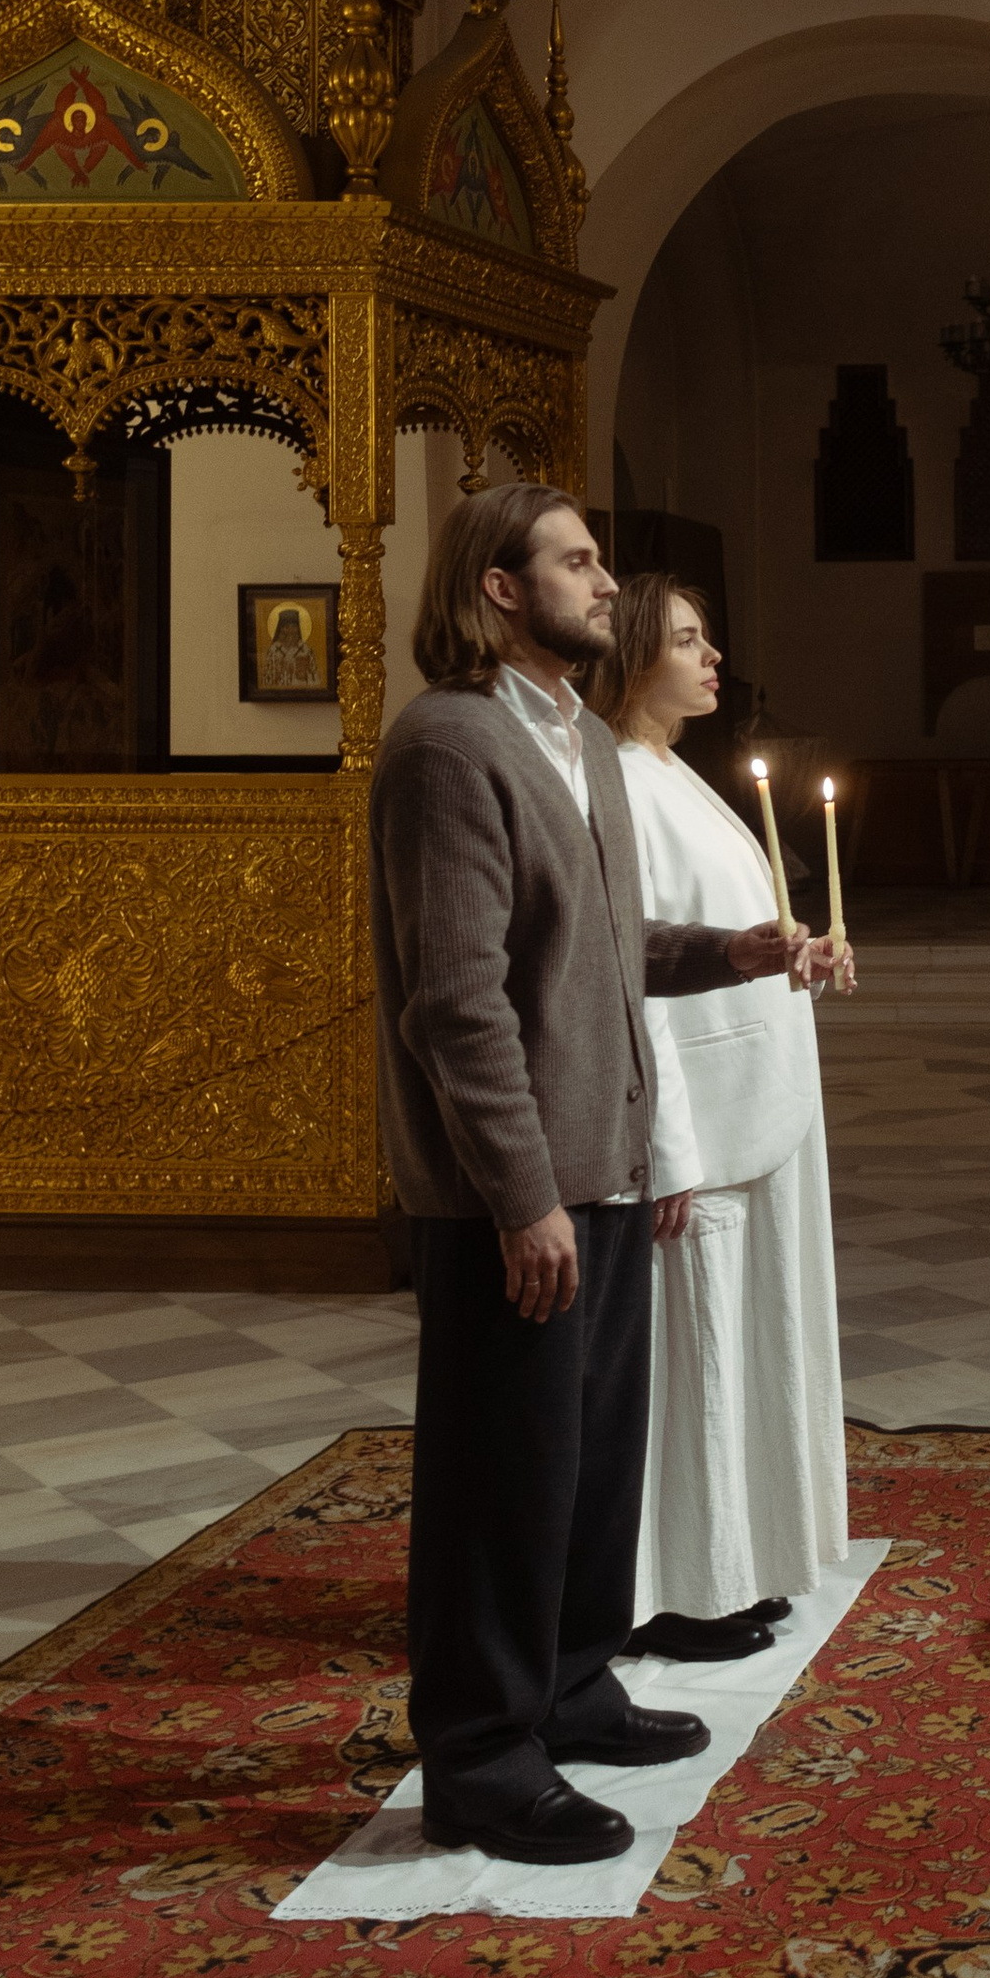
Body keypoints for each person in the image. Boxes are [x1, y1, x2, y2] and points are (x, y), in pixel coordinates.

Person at [370, 484, 819, 1865]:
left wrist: (726, 953)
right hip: (526, 1195)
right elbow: (459, 1002)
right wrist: (522, 1196)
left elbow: (603, 952)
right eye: (575, 561)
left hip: (608, 1169)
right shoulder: (451, 748)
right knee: (499, 1484)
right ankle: (483, 1758)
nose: (604, 581)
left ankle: (570, 1686)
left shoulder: (577, 741)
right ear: (500, 588)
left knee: (588, 1466)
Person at [584, 577, 856, 1664]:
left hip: (763, 1102)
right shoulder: (614, 781)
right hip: (695, 1118)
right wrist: (665, 1147)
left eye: (707, 638)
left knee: (747, 1343)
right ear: (635, 654)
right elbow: (632, 979)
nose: (712, 657)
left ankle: (734, 1562)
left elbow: (735, 937)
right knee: (692, 1355)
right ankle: (675, 1591)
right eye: (686, 640)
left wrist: (803, 954)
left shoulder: (677, 774)